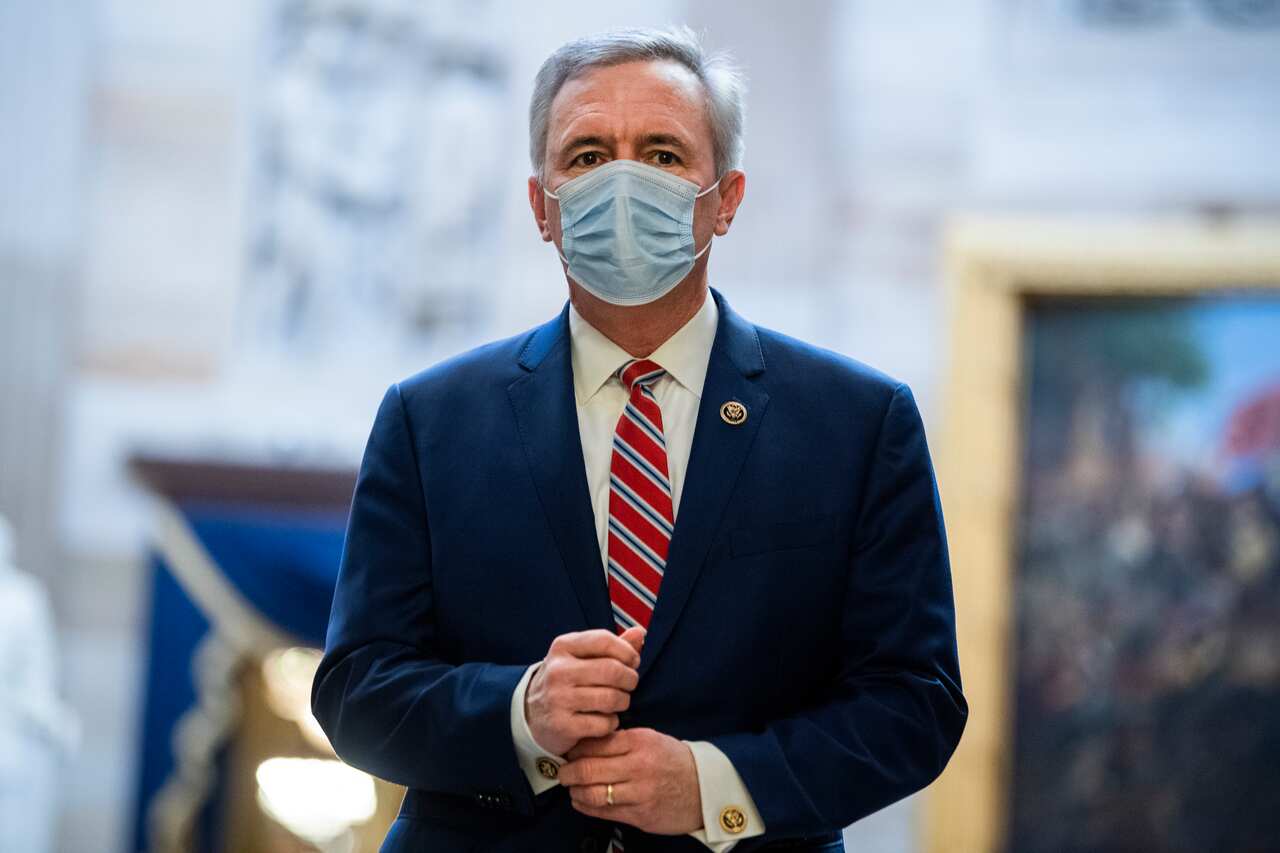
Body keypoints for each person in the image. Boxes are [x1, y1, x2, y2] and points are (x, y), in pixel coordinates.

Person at [312, 24, 966, 853]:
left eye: (661, 153)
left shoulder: (859, 424)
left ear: (725, 198)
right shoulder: (428, 418)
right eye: (586, 155)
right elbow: (356, 691)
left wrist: (715, 785)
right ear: (541, 205)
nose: (622, 180)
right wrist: (524, 711)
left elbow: (915, 701)